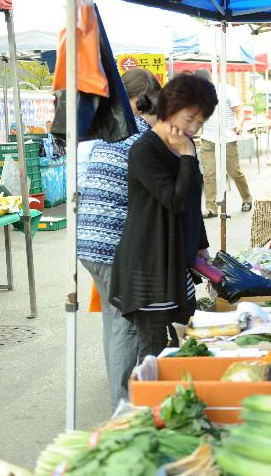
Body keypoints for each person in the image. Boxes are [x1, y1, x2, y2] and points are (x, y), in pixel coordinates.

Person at [110, 73, 217, 358]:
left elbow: (193, 200)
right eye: (189, 119)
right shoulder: (144, 150)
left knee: (188, 343)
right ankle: (148, 401)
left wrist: (201, 247)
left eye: (200, 122)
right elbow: (175, 200)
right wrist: (186, 156)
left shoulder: (185, 145)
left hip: (177, 263)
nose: (194, 128)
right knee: (154, 350)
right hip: (150, 264)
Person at [77, 67, 160, 409]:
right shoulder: (140, 137)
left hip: (89, 243)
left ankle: (121, 396)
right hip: (112, 244)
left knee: (114, 322)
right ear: (143, 101)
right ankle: (123, 405)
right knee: (127, 324)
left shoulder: (112, 134)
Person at [196, 68, 252, 215]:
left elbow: (239, 110)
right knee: (209, 174)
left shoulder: (227, 90)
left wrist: (239, 124)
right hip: (208, 138)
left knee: (234, 171)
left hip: (227, 137)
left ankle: (246, 198)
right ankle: (211, 208)